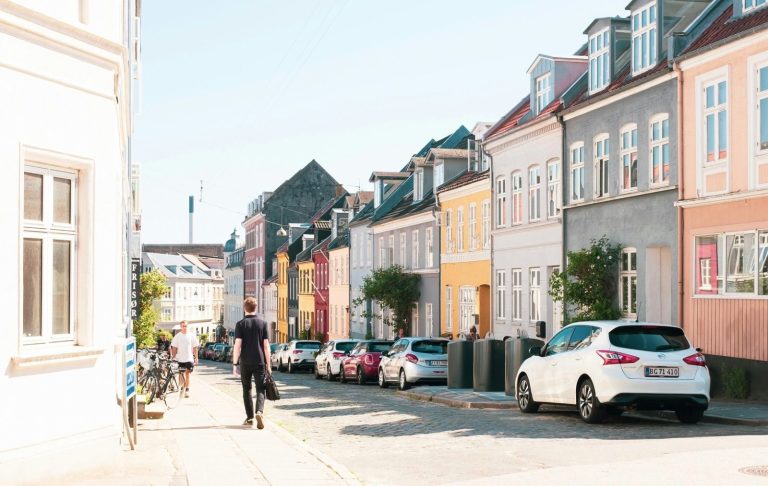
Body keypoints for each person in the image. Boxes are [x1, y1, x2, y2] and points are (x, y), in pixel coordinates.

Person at [233, 296, 271, 429]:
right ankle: (259, 411)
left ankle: (249, 418)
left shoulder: (240, 324)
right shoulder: (263, 323)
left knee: (246, 389)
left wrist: (234, 364)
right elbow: (266, 346)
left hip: (245, 361)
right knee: (261, 388)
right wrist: (269, 364)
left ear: (245, 308)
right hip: (260, 361)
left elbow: (237, 345)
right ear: (256, 308)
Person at [170, 321, 199, 398]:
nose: (184, 327)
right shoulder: (177, 336)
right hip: (180, 359)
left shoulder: (191, 336)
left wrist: (196, 358)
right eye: (183, 326)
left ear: (187, 326)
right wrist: (173, 357)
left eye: (185, 326)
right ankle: (182, 387)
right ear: (181, 327)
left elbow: (195, 347)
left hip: (189, 358)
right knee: (181, 374)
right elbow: (174, 348)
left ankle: (187, 390)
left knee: (187, 374)